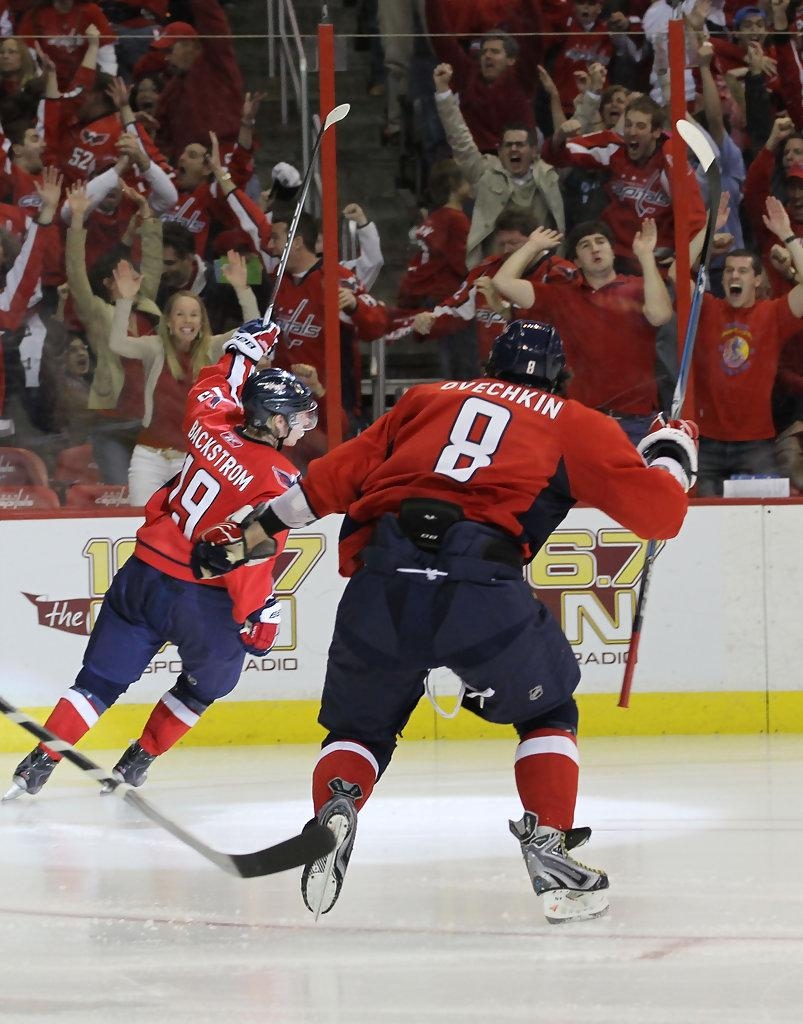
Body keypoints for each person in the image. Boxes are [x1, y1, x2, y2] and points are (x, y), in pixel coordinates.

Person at [190, 319, 698, 924]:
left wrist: (252, 533)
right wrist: (671, 453)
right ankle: (551, 850)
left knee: (360, 732)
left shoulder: (426, 399)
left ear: (488, 365)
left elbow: (328, 480)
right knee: (547, 712)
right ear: (560, 376)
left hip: (382, 577)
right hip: (481, 586)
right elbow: (660, 516)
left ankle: (336, 809)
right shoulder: (576, 421)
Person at [4, 321, 319, 800]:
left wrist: (243, 352)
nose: (301, 424)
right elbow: (251, 557)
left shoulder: (209, 422)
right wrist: (260, 614)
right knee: (203, 686)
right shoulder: (279, 481)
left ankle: (39, 763)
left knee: (96, 684)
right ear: (275, 420)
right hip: (205, 601)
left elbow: (216, 387)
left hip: (144, 574)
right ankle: (140, 758)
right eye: (295, 416)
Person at [493, 218, 673, 444]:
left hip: (636, 421)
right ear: (576, 261)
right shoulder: (562, 296)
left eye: (600, 241)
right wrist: (532, 246)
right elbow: (502, 282)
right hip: (582, 419)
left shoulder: (637, 286)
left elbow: (661, 315)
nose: (595, 248)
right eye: (585, 245)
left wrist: (646, 256)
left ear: (613, 251)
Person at [109, 254, 260, 506]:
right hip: (149, 457)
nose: (187, 321)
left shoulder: (214, 348)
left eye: (193, 315)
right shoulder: (154, 347)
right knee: (141, 527)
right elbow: (118, 343)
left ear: (202, 323)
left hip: (193, 459)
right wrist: (124, 300)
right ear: (169, 322)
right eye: (180, 314)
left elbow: (254, 333)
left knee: (186, 531)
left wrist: (242, 289)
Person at [688, 196, 803, 494]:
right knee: (706, 526)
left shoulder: (773, 314)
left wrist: (788, 235)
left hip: (756, 445)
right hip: (708, 443)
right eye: (728, 270)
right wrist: (708, 231)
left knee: (765, 523)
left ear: (757, 279)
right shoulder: (708, 309)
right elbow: (678, 273)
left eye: (742, 271)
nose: (734, 276)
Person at [433, 63, 565, 268]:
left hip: (541, 270)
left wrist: (578, 97)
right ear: (499, 151)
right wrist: (443, 92)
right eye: (508, 145)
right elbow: (460, 140)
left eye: (520, 145)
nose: (513, 149)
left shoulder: (550, 175)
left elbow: (570, 141)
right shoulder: (485, 173)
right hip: (494, 269)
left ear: (533, 150)